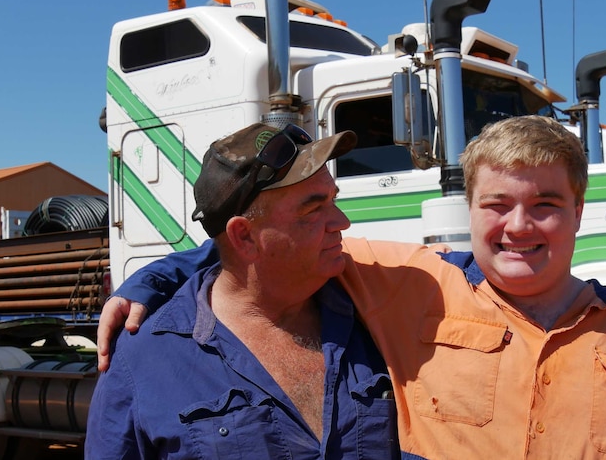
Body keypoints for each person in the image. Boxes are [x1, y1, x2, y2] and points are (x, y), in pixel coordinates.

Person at [97, 115, 606, 459]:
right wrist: (154, 277)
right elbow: (252, 256)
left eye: (545, 203)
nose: (519, 226)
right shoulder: (417, 285)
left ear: (579, 211)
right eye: (497, 205)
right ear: (470, 212)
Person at [86, 123, 400, 459]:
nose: (342, 221)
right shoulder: (144, 359)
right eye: (313, 209)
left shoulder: (378, 310)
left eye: (333, 200)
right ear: (245, 237)